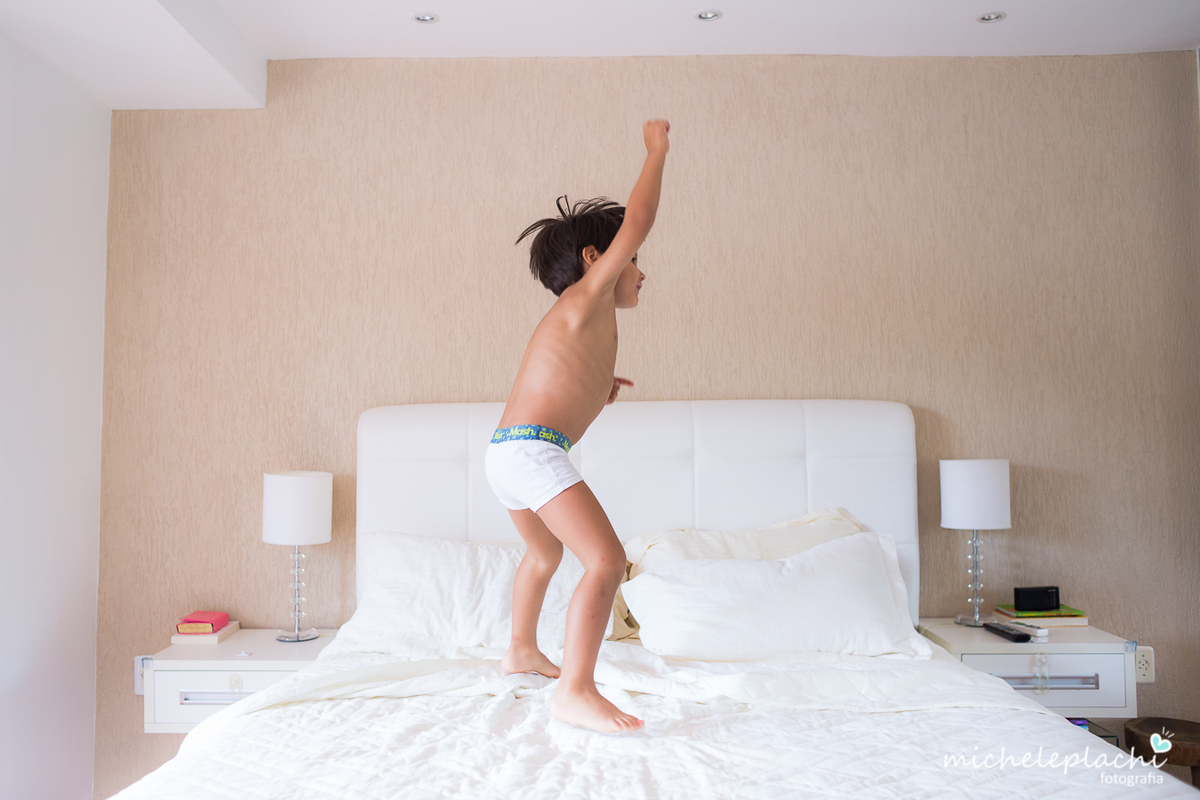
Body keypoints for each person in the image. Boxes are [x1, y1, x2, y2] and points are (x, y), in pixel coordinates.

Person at [483, 119, 670, 733]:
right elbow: (639, 218)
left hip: (507, 452)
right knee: (606, 561)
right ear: (597, 259)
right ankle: (576, 689)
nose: (640, 271)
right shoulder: (587, 295)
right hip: (532, 453)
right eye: (632, 260)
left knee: (544, 552)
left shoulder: (583, 320)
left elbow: (558, 385)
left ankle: (520, 649)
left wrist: (599, 390)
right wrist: (656, 150)